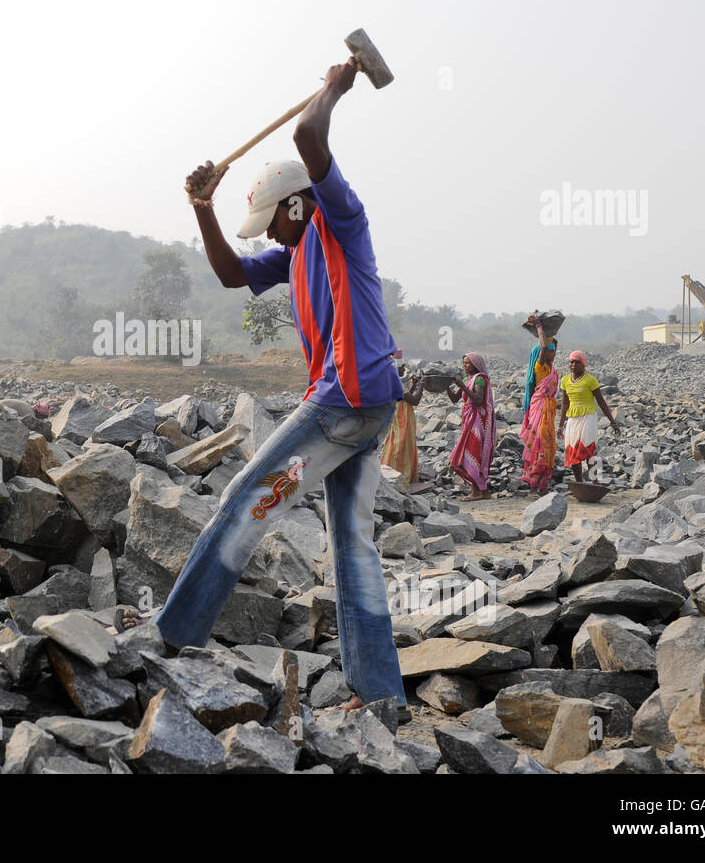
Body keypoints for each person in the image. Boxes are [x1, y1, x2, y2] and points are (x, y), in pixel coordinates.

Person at [129, 60, 408, 718]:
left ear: (295, 203)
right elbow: (230, 273)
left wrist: (340, 82)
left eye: (276, 223)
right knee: (352, 545)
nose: (273, 237)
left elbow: (310, 142)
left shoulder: (339, 221)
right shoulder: (295, 250)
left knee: (246, 497)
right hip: (370, 411)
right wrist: (204, 208)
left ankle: (171, 639)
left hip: (345, 399)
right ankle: (382, 698)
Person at [559, 350, 620, 480]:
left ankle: (595, 482)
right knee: (572, 449)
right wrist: (560, 426)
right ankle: (579, 482)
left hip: (588, 417)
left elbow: (601, 402)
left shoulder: (590, 380)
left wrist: (613, 422)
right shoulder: (564, 381)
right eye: (571, 362)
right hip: (573, 418)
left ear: (583, 364)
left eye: (577, 362)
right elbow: (565, 404)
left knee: (588, 449)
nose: (573, 365)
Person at [442, 352, 495, 500]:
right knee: (469, 453)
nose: (464, 365)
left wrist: (463, 387)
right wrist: (447, 386)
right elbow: (454, 399)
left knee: (472, 452)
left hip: (478, 421)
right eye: (463, 363)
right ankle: (482, 491)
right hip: (469, 420)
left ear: (475, 365)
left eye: (467, 363)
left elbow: (478, 400)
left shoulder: (479, 380)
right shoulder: (468, 379)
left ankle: (476, 492)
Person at [519, 317, 560, 494]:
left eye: (554, 350)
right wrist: (539, 326)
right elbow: (543, 346)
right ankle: (533, 486)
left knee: (549, 445)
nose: (554, 353)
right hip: (540, 407)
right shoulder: (540, 367)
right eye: (551, 351)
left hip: (548, 410)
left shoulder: (551, 368)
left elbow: (551, 343)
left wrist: (550, 334)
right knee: (539, 444)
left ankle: (543, 484)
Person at [380, 356, 423, 484]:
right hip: (401, 420)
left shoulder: (390, 381)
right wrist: (421, 385)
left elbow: (405, 398)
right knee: (401, 445)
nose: (403, 368)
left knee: (397, 443)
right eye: (401, 366)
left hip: (398, 418)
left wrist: (414, 385)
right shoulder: (395, 382)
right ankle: (400, 476)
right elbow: (414, 401)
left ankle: (393, 474)